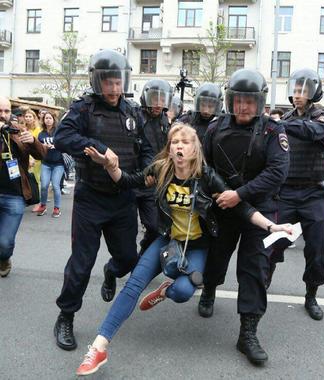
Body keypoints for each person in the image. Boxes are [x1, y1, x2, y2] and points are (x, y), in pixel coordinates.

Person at [74, 123, 292, 376]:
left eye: (185, 142)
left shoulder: (207, 177)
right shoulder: (160, 170)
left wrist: (271, 226)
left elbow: (241, 208)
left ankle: (166, 290)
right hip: (167, 240)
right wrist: (111, 166)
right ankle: (99, 347)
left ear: (194, 148)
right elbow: (129, 182)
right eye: (174, 141)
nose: (179, 145)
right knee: (133, 284)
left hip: (197, 246)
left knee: (183, 292)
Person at [52, 49, 152, 351]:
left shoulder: (133, 111)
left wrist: (147, 171)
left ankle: (111, 271)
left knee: (128, 260)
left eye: (117, 82)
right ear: (97, 82)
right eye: (107, 83)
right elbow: (61, 138)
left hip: (123, 198)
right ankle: (66, 316)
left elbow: (145, 148)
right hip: (91, 199)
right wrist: (96, 146)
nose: (113, 89)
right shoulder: (83, 108)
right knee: (81, 263)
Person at [198, 69, 290, 365]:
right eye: (238, 100)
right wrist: (218, 193)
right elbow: (204, 165)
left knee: (254, 269)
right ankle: (209, 289)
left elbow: (277, 172)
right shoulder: (215, 127)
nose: (243, 106)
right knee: (216, 258)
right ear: (230, 100)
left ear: (260, 102)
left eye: (250, 101)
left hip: (259, 209)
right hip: (222, 206)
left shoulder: (274, 131)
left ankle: (247, 332)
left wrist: (241, 194)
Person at [269, 68, 324, 321]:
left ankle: (311, 295)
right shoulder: (284, 118)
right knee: (272, 243)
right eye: (295, 91)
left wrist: (281, 123)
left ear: (313, 93)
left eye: (303, 91)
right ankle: (264, 280)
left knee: (316, 250)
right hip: (285, 193)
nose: (298, 95)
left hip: (313, 195)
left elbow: (315, 133)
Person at [0, 96, 46, 277]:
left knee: (4, 243)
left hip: (14, 195)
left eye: (6, 111)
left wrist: (33, 142)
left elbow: (42, 154)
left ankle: (4, 257)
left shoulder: (19, 131)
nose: (3, 115)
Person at [137, 78, 173, 254]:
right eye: (154, 98)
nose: (158, 104)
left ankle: (144, 253)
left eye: (162, 99)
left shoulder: (165, 121)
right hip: (134, 179)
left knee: (154, 225)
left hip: (154, 181)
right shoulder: (135, 117)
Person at [37, 111, 65, 217]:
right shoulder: (41, 134)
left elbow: (64, 143)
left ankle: (57, 208)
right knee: (44, 186)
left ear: (54, 120)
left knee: (55, 186)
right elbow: (38, 147)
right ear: (43, 120)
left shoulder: (59, 132)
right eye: (46, 118)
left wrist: (56, 146)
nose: (48, 120)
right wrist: (44, 146)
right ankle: (43, 206)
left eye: (50, 118)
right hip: (46, 163)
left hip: (58, 163)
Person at [24, 109, 43, 212]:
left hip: (36, 159)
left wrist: (32, 159)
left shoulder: (38, 130)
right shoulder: (23, 129)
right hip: (25, 158)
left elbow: (39, 147)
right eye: (26, 116)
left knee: (36, 180)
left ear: (34, 118)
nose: (28, 118)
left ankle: (38, 203)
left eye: (30, 116)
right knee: (27, 179)